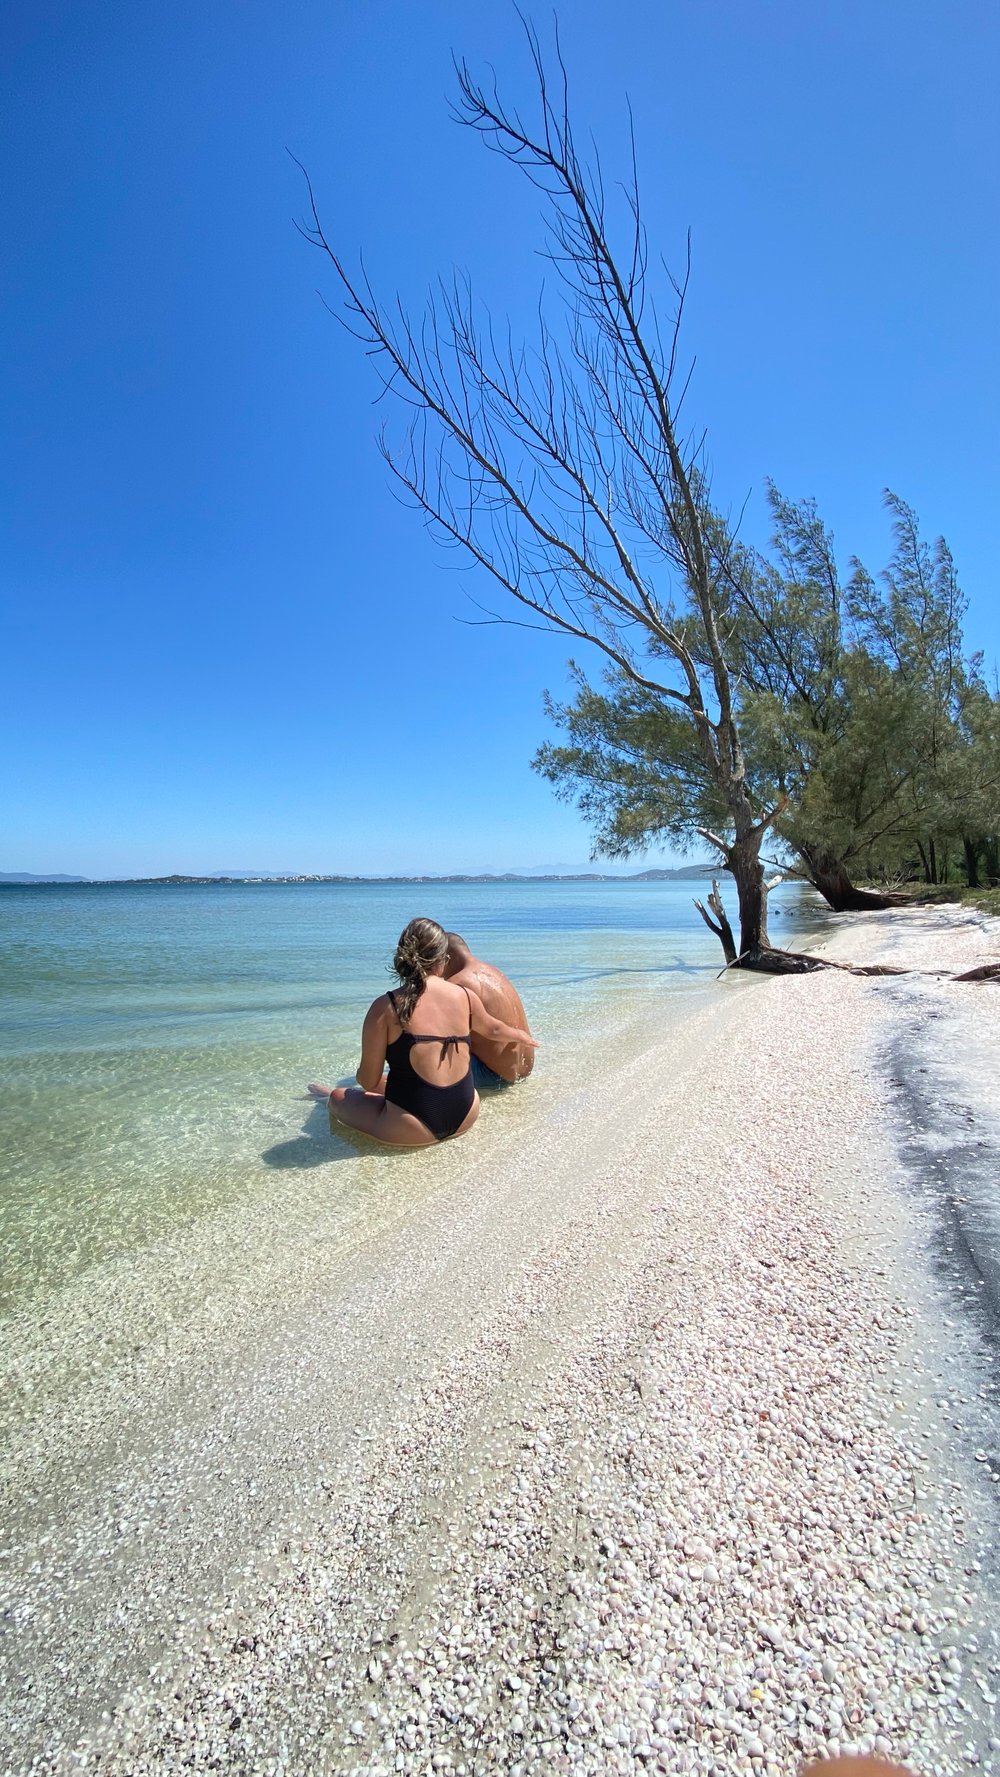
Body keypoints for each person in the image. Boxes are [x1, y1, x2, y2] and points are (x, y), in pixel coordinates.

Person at [308, 916, 538, 1148]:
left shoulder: (384, 1007)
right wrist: (520, 1036)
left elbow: (368, 1081)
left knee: (338, 1096)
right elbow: (493, 1028)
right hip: (468, 1114)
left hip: (412, 1127)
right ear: (443, 960)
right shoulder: (465, 996)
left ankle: (331, 1098)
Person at [442, 931, 535, 1087]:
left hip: (493, 1077)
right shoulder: (493, 971)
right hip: (525, 1070)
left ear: (446, 959)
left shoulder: (457, 983)